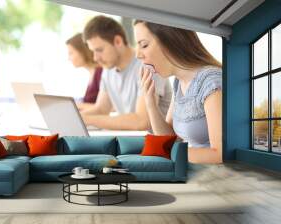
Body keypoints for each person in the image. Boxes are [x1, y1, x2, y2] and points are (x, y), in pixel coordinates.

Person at [134, 20, 222, 164]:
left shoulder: (211, 81)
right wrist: (150, 102)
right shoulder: (179, 82)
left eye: (144, 45)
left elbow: (219, 155)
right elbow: (170, 138)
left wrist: (163, 150)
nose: (138, 54)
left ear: (169, 40)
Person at [81, 15, 172, 130]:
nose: (95, 58)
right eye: (93, 51)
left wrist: (88, 119)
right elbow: (101, 109)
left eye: (99, 50)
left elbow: (142, 121)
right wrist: (77, 117)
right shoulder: (108, 69)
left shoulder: (147, 63)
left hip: (156, 141)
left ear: (118, 41)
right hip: (132, 141)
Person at [66, 33, 102, 111]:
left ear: (82, 51)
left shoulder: (100, 73)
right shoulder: (93, 72)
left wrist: (79, 105)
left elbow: (106, 108)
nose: (69, 58)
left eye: (71, 53)